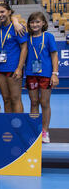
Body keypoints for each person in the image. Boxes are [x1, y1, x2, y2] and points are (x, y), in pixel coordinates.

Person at [25, 12, 59, 143]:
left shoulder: (49, 37)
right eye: (32, 22)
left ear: (43, 23)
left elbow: (54, 55)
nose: (35, 24)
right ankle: (34, 130)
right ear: (29, 24)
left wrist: (54, 74)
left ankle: (45, 131)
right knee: (34, 102)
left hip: (45, 74)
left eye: (37, 22)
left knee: (44, 102)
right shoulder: (27, 37)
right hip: (31, 74)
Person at [0, 3, 28, 113]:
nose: (0, 14)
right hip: (0, 69)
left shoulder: (17, 28)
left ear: (9, 12)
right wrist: (14, 19)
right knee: (6, 99)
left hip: (13, 68)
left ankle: (19, 128)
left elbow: (24, 48)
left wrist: (19, 68)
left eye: (2, 11)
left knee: (15, 98)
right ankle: (9, 127)